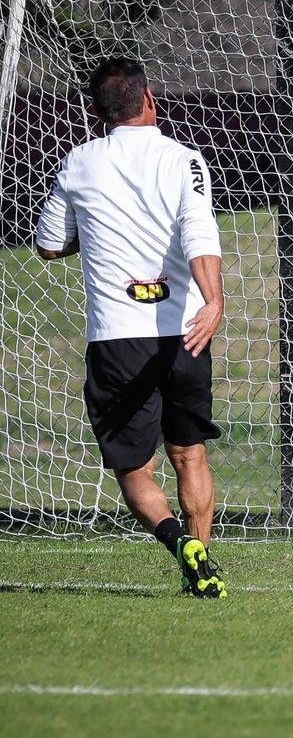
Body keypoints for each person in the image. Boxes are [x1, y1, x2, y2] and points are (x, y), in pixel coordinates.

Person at [35, 57, 228, 597]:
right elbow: (197, 230)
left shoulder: (77, 163)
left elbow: (49, 244)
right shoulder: (185, 160)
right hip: (186, 332)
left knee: (135, 471)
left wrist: (91, 235)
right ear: (150, 100)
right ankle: (203, 561)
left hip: (116, 339)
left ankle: (177, 544)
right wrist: (212, 301)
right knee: (189, 453)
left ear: (98, 113)